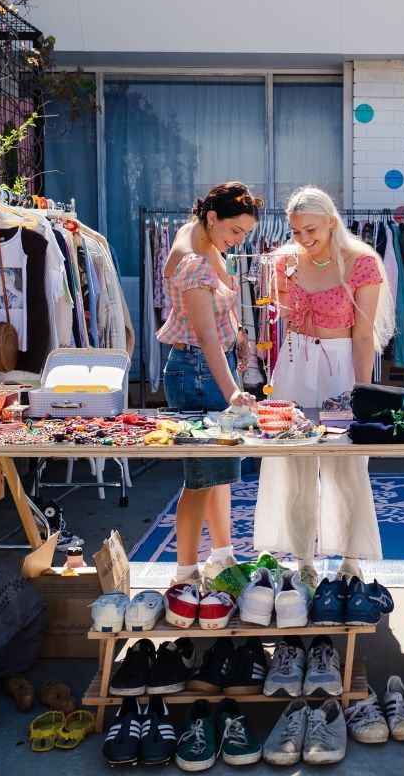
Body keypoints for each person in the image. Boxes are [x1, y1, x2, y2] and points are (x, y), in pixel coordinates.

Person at [253, 186, 395, 587]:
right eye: (296, 231)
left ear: (332, 221)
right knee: (294, 461)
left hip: (340, 368)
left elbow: (364, 336)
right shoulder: (283, 263)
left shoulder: (361, 263)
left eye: (311, 229)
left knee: (346, 465)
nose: (303, 239)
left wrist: (364, 393)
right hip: (295, 364)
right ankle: (303, 561)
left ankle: (350, 559)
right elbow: (273, 316)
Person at [156, 182, 262, 588]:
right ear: (213, 218)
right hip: (198, 370)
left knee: (219, 473)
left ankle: (222, 558)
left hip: (204, 366)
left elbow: (217, 319)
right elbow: (205, 337)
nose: (239, 240)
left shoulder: (199, 235)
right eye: (236, 231)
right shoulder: (194, 260)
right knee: (201, 479)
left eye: (246, 234)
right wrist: (233, 389)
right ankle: (184, 575)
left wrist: (239, 333)